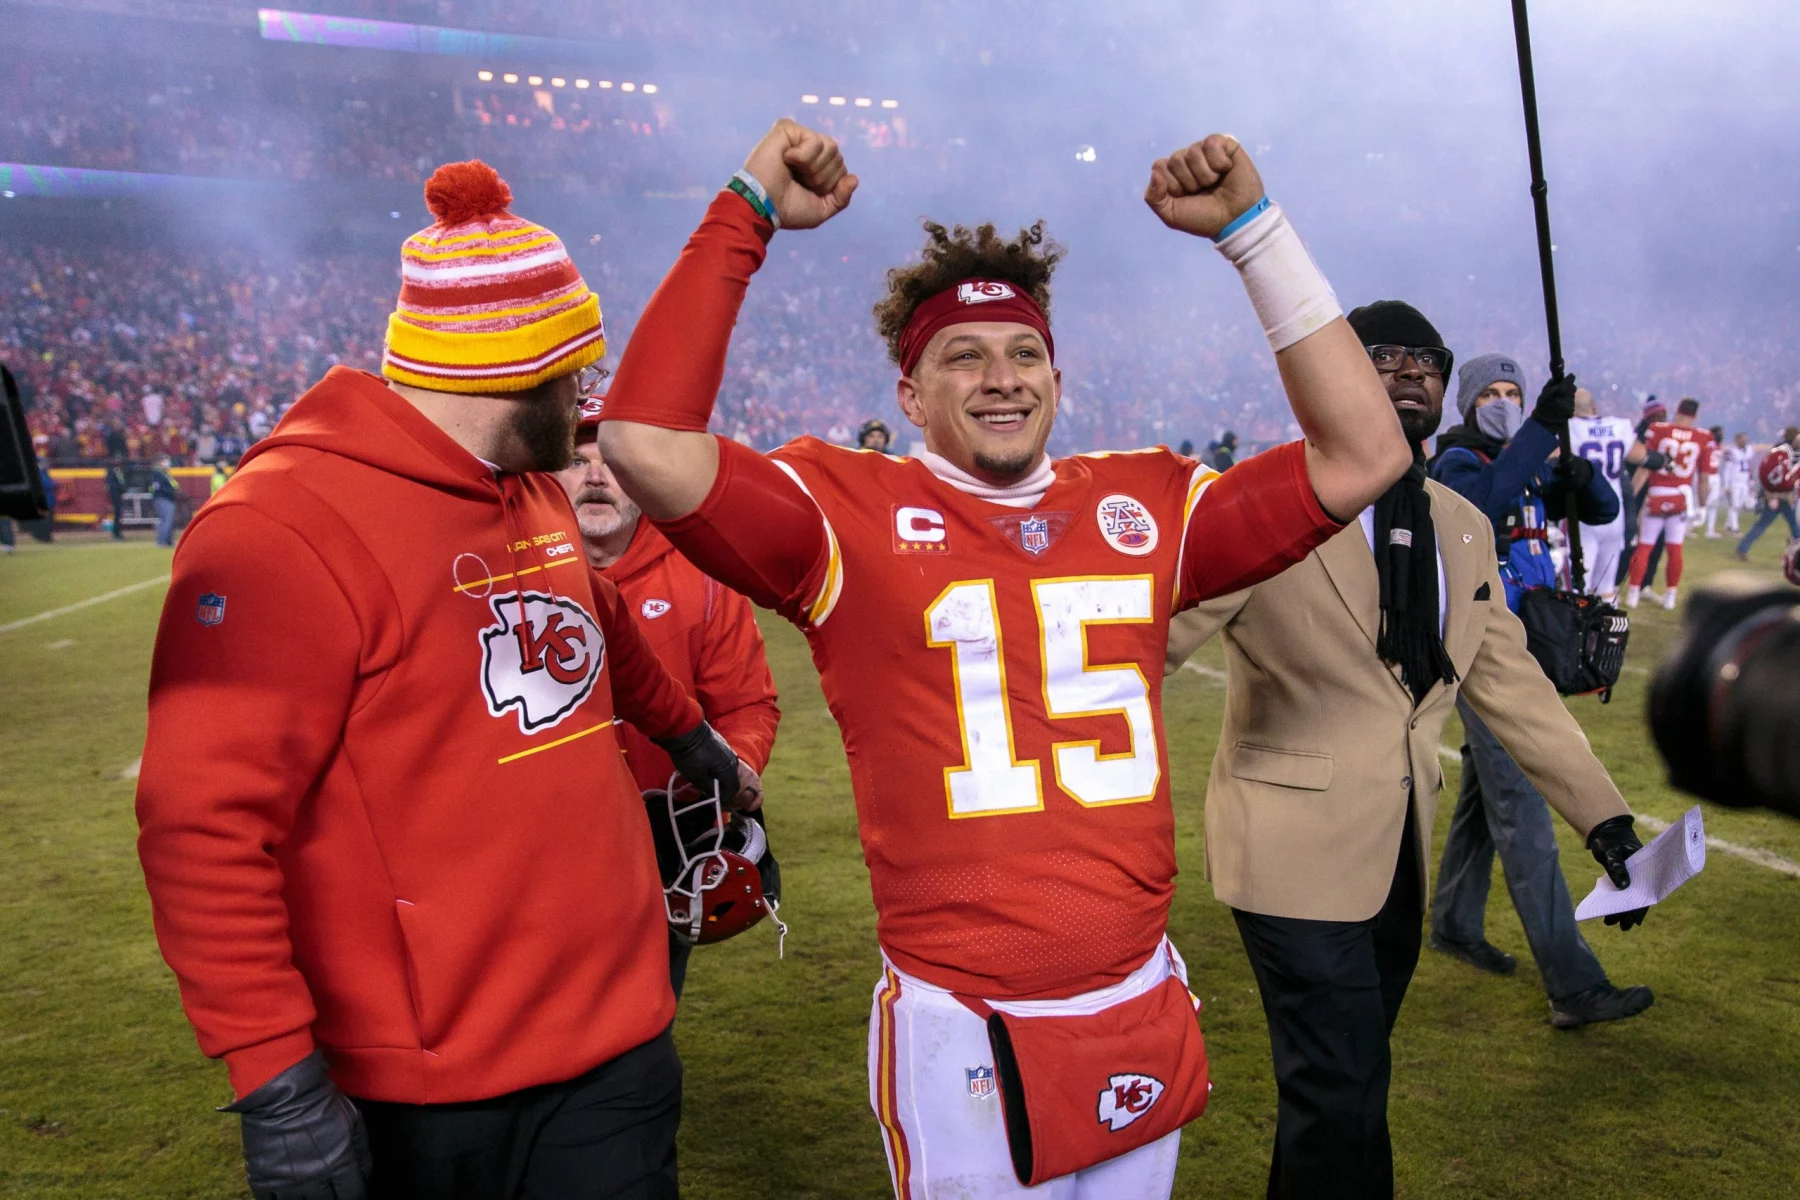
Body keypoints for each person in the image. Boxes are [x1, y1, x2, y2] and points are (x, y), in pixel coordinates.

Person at [596, 118, 1411, 1198]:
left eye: (1026, 351)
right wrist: (746, 213)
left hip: (1137, 994)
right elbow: (646, 441)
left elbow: (1368, 451)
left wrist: (1255, 235)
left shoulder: (1142, 504)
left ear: (1058, 380)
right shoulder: (846, 514)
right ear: (910, 394)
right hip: (962, 1020)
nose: (1002, 377)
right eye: (963, 356)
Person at [135, 161, 759, 1199]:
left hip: (620, 1043)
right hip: (427, 1086)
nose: (589, 398)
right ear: (518, 368)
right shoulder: (275, 532)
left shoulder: (531, 494)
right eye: (576, 371)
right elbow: (199, 828)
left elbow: (597, 623)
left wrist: (691, 737)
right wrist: (277, 1082)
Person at [1165, 300, 1647, 1199]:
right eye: (1382, 356)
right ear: (1329, 372)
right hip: (1285, 855)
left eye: (1427, 360)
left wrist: (1606, 819)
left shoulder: (1462, 524)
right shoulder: (1260, 501)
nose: (1412, 371)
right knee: (1342, 1085)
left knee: (1341, 1085)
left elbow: (1509, 683)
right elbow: (1145, 642)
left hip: (1396, 858)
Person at [1428, 353, 1651, 1030]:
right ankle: (1572, 984)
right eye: (1490, 393)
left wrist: (1579, 473)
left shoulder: (1522, 462)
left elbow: (1605, 507)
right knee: (1525, 816)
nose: (1502, 401)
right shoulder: (1458, 463)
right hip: (1486, 660)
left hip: (1530, 654)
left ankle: (1456, 923)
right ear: (1467, 405)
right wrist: (1538, 434)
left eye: (1513, 393)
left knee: (1485, 794)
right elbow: (1482, 511)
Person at [556, 397, 782, 998]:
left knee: (646, 1023)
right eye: (577, 462)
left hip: (668, 851)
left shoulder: (702, 574)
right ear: (547, 478)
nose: (597, 476)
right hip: (540, 856)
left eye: (613, 462)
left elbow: (746, 703)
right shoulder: (504, 572)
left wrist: (738, 764)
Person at [1624, 396, 1714, 609]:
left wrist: (1631, 497)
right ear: (1695, 415)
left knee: (1644, 546)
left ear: (1677, 410)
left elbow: (1645, 467)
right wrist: (1702, 505)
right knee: (1675, 548)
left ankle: (1633, 593)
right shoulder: (1703, 437)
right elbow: (1703, 477)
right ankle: (1670, 596)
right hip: (1681, 498)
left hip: (1656, 495)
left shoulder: (1658, 430)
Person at [1567, 388, 1636, 602]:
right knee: (1606, 585)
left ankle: (1577, 632)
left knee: (1578, 584)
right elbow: (1641, 456)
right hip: (1615, 513)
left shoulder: (1570, 428)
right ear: (1594, 407)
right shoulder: (1619, 426)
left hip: (1585, 514)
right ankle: (1608, 631)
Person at [1736, 427, 1800, 560]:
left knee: (1765, 524)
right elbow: (1772, 476)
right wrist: (1769, 494)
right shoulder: (1782, 453)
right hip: (1780, 496)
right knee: (1794, 526)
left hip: (1780, 496)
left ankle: (1742, 548)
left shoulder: (1785, 451)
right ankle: (1742, 548)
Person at [1720, 431, 1756, 535]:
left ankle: (1728, 525)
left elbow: (1750, 465)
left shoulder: (1749, 450)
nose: (1745, 441)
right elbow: (1727, 469)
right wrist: (1726, 485)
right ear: (1737, 440)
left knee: (1739, 505)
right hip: (1735, 482)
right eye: (1742, 439)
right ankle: (1735, 529)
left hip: (1744, 481)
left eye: (1745, 439)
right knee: (1734, 505)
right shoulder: (1731, 452)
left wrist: (1751, 480)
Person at [1701, 424, 1727, 537]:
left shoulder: (1718, 445)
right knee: (1703, 502)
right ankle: (1689, 525)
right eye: (1720, 433)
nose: (1722, 435)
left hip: (1715, 476)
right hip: (1707, 476)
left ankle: (1710, 530)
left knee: (1714, 503)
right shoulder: (1708, 444)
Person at [150, 456, 181, 547]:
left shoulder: (165, 473)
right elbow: (158, 487)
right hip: (163, 498)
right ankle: (162, 541)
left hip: (168, 498)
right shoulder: (157, 473)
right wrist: (171, 491)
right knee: (166, 520)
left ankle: (168, 540)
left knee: (169, 520)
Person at [105, 457, 128, 540]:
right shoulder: (112, 472)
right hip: (115, 496)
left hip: (118, 495)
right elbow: (110, 485)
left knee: (119, 515)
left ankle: (118, 533)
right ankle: (116, 533)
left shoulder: (120, 472)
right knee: (117, 515)